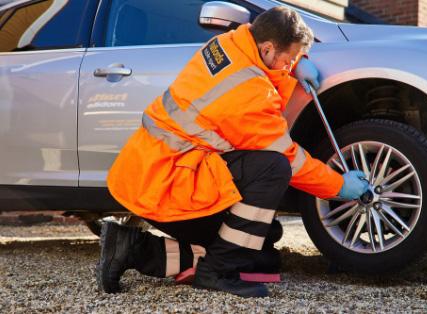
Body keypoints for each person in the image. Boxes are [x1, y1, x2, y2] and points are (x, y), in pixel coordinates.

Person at [97, 6, 369, 298]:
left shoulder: (229, 44)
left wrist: (298, 59)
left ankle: (125, 245)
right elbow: (291, 160)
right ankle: (197, 267)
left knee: (265, 250)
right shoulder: (249, 93)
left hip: (151, 171)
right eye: (287, 60)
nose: (288, 66)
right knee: (273, 170)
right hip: (169, 188)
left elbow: (267, 55)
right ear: (267, 49)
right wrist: (339, 185)